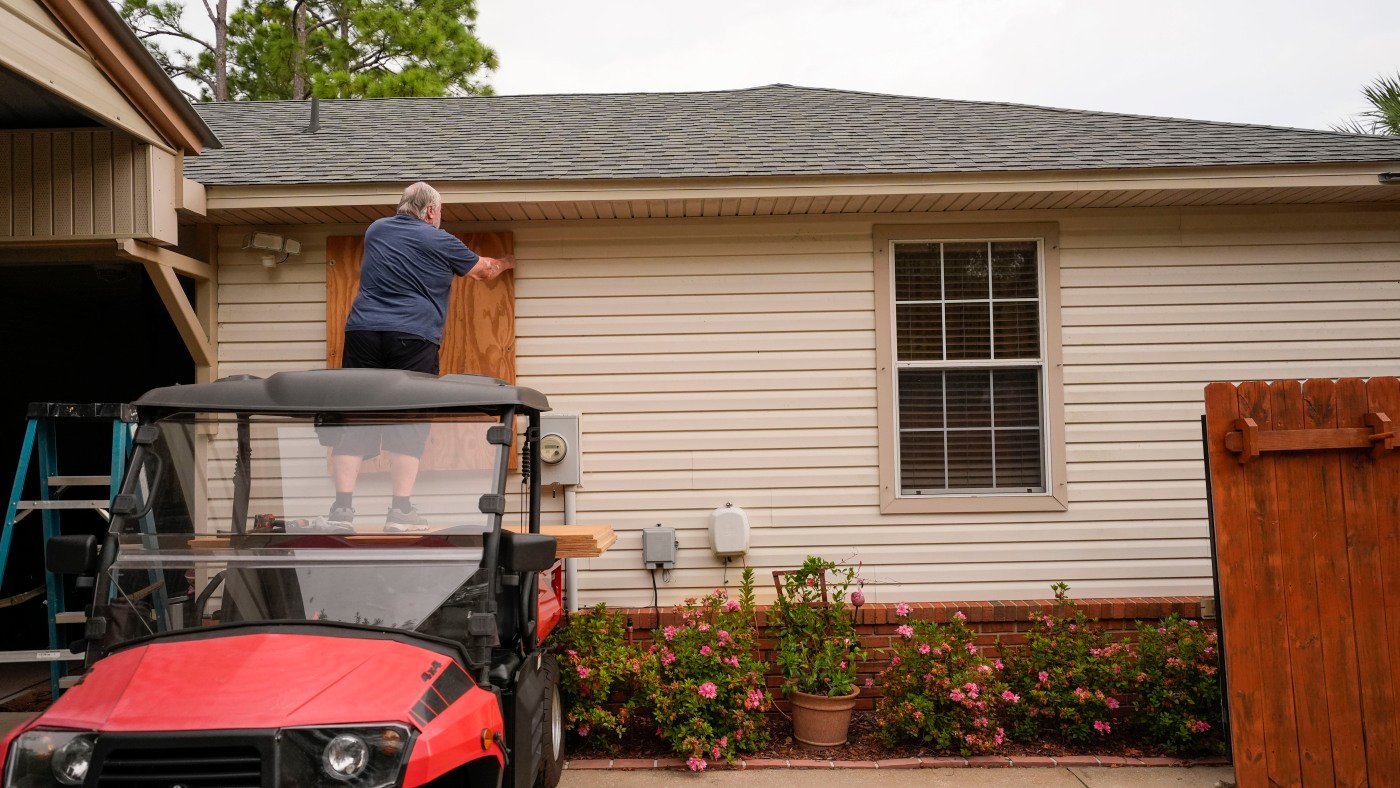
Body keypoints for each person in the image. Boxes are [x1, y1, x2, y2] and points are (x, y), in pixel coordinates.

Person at [325, 181, 513, 533]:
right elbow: (484, 271)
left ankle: (342, 510)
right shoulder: (439, 239)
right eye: (439, 212)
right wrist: (505, 261)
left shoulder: (376, 230)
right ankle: (399, 511)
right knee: (409, 416)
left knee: (355, 414)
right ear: (430, 211)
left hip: (363, 330)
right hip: (412, 335)